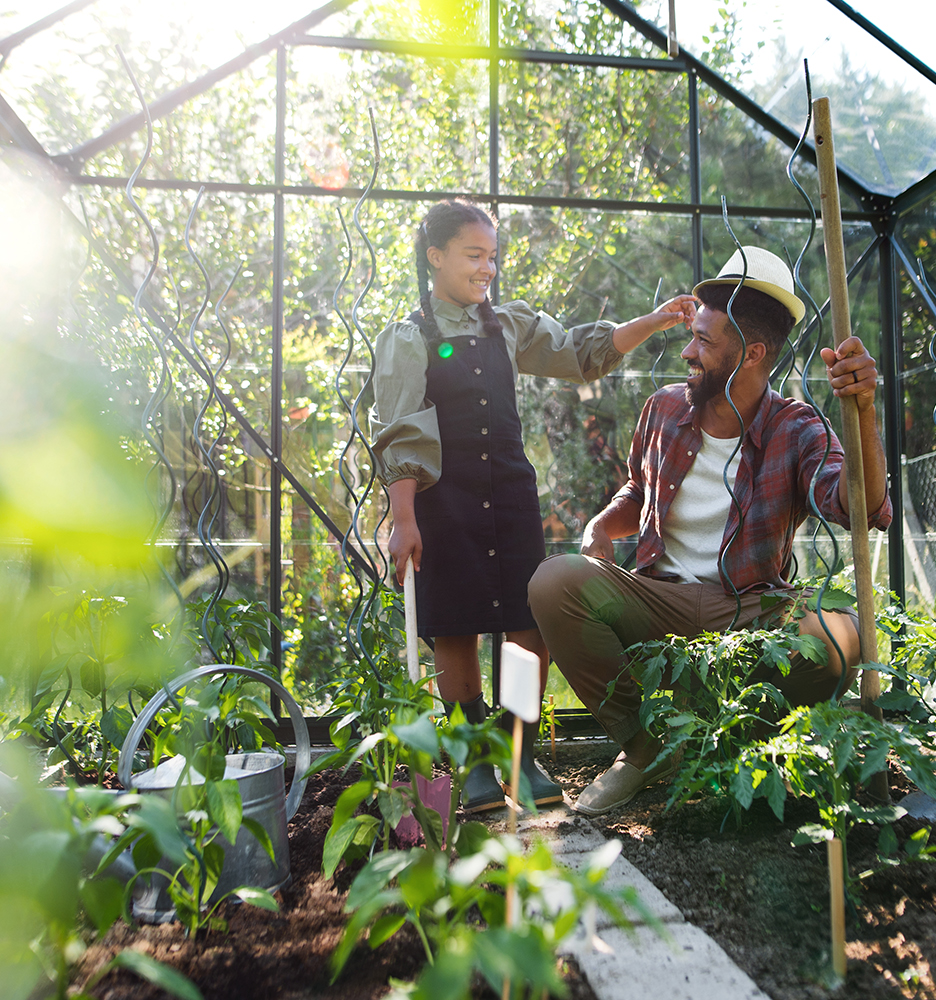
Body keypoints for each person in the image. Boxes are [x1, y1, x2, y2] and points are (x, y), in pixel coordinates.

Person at [527, 245, 892, 816]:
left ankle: (742, 742)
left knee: (839, 639)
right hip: (659, 600)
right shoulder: (664, 410)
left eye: (703, 341)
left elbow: (860, 507)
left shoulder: (797, 426)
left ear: (751, 354)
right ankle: (647, 751)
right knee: (553, 582)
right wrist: (603, 523)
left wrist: (864, 409)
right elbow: (639, 493)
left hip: (748, 607)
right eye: (691, 336)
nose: (688, 353)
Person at [370, 198, 698, 812]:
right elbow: (401, 432)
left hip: (512, 495)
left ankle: (518, 752)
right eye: (474, 256)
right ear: (435, 257)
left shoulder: (508, 325)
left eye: (492, 257)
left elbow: (578, 353)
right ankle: (470, 762)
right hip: (446, 501)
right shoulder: (410, 338)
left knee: (525, 626)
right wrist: (405, 519)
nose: (487, 268)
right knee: (456, 625)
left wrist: (653, 321)